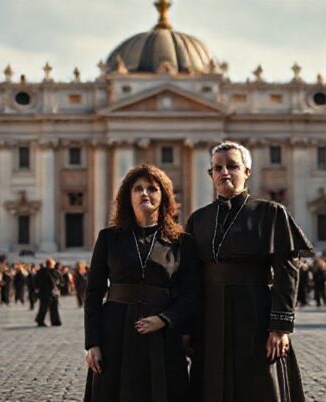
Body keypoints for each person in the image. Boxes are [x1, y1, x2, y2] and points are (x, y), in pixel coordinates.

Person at [186, 142, 312, 402]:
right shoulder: (198, 219)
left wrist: (279, 328)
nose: (225, 173)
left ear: (247, 171)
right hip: (209, 317)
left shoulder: (271, 213)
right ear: (211, 175)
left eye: (232, 166)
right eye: (217, 168)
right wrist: (186, 328)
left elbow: (287, 273)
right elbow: (190, 277)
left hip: (255, 313)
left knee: (258, 386)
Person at [84, 164, 200, 402]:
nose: (144, 193)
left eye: (152, 188)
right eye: (138, 188)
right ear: (128, 196)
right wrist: (93, 343)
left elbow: (192, 293)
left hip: (163, 332)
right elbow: (93, 293)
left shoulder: (182, 242)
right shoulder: (109, 238)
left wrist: (164, 319)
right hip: (115, 330)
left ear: (164, 196)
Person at [34, 258, 61, 327]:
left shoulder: (43, 271)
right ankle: (40, 320)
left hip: (46, 292)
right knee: (44, 307)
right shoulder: (45, 271)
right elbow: (53, 281)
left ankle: (55, 321)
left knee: (53, 307)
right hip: (47, 292)